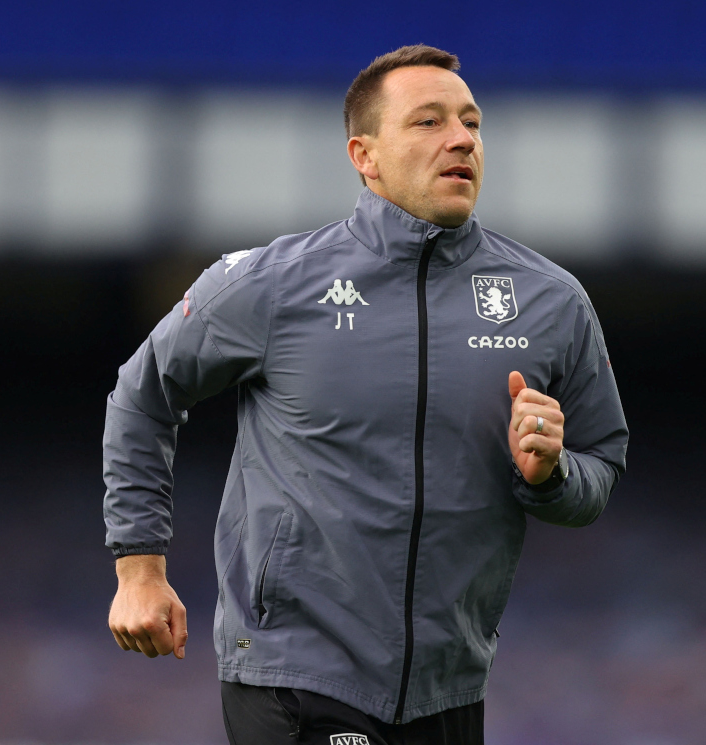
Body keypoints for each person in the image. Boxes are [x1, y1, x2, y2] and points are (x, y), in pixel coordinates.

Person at [103, 44, 628, 745]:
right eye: (429, 122)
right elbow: (143, 394)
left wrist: (550, 474)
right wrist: (139, 567)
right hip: (296, 674)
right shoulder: (273, 283)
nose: (461, 138)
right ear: (365, 154)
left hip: (449, 686)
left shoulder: (549, 301)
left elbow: (601, 463)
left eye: (471, 122)